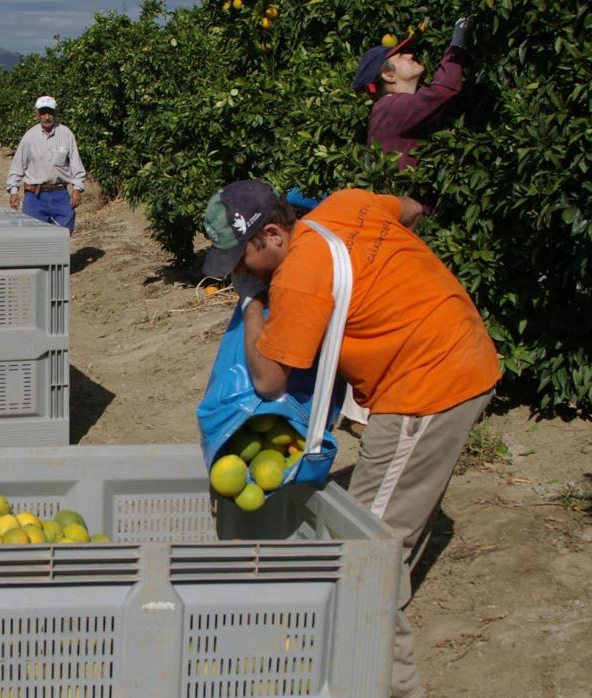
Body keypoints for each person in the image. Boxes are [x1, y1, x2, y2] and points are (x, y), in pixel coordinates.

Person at [201, 180, 500, 698]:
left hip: (426, 388)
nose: (238, 274)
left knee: (359, 554)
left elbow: (270, 383)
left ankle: (391, 685)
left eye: (242, 262)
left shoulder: (298, 278)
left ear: (274, 233)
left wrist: (252, 305)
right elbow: (411, 210)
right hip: (463, 347)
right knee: (385, 534)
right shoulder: (347, 204)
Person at [352, 17, 471, 171]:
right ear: (389, 75)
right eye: (401, 56)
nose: (409, 56)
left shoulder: (389, 108)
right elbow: (442, 90)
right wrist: (456, 47)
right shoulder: (389, 107)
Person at [5, 95, 86, 233]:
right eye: (43, 113)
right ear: (38, 114)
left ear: (55, 113)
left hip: (60, 194)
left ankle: (59, 255)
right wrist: (14, 191)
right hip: (35, 197)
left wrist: (77, 189)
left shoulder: (66, 134)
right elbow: (17, 167)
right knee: (35, 237)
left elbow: (76, 165)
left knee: (63, 234)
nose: (47, 116)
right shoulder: (29, 137)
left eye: (50, 112)